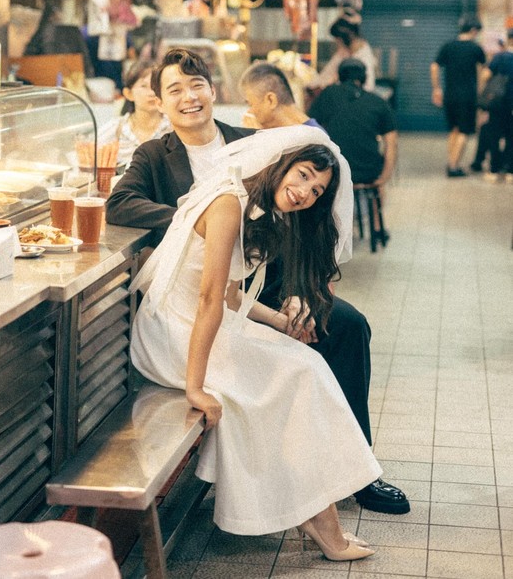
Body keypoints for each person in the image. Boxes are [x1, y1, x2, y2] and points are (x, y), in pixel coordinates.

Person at [107, 48, 410, 515]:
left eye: (196, 86)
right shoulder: (154, 155)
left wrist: (300, 292)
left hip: (269, 278)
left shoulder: (252, 140)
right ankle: (286, 478)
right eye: (175, 90)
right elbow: (121, 204)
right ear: (161, 103)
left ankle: (359, 471)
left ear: (213, 91)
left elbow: (307, 216)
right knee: (286, 365)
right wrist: (199, 220)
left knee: (347, 325)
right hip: (212, 285)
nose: (188, 98)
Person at [130, 125, 381, 555]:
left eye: (318, 191)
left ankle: (315, 513)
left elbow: (229, 293)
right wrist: (195, 387)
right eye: (303, 175)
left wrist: (282, 325)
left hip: (208, 321)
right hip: (174, 330)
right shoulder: (229, 203)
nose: (306, 192)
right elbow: (211, 299)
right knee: (296, 376)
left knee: (305, 366)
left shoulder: (261, 209)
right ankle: (321, 523)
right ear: (282, 164)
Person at [309, 58, 398, 189]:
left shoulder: (327, 94)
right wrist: (385, 177)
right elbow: (392, 144)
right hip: (368, 174)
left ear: (340, 75)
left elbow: (310, 129)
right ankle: (375, 206)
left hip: (333, 171)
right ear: (365, 78)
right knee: (378, 193)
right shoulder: (378, 102)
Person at [430, 15, 486, 177]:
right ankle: (454, 167)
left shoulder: (448, 46)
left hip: (450, 95)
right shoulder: (476, 49)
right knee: (464, 131)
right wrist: (481, 92)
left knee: (453, 130)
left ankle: (451, 163)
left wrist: (436, 89)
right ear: (474, 30)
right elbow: (484, 73)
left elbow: (434, 67)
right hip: (467, 96)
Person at [97, 60, 171, 168]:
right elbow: (89, 155)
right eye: (144, 86)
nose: (151, 93)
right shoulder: (116, 129)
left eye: (156, 86)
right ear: (129, 93)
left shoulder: (174, 127)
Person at [239, 61, 320, 129]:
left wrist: (258, 137)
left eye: (250, 105)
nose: (249, 112)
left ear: (271, 100)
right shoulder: (291, 134)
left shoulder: (313, 141)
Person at [310, 17, 377, 93]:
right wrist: (314, 85)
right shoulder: (344, 52)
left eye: (338, 40)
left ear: (342, 39)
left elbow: (368, 87)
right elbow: (327, 73)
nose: (337, 44)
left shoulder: (364, 57)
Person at [481, 29, 513, 181]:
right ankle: (509, 170)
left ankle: (494, 169)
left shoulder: (499, 57)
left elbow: (485, 75)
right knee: (511, 137)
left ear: (508, 39)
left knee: (494, 135)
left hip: (497, 104)